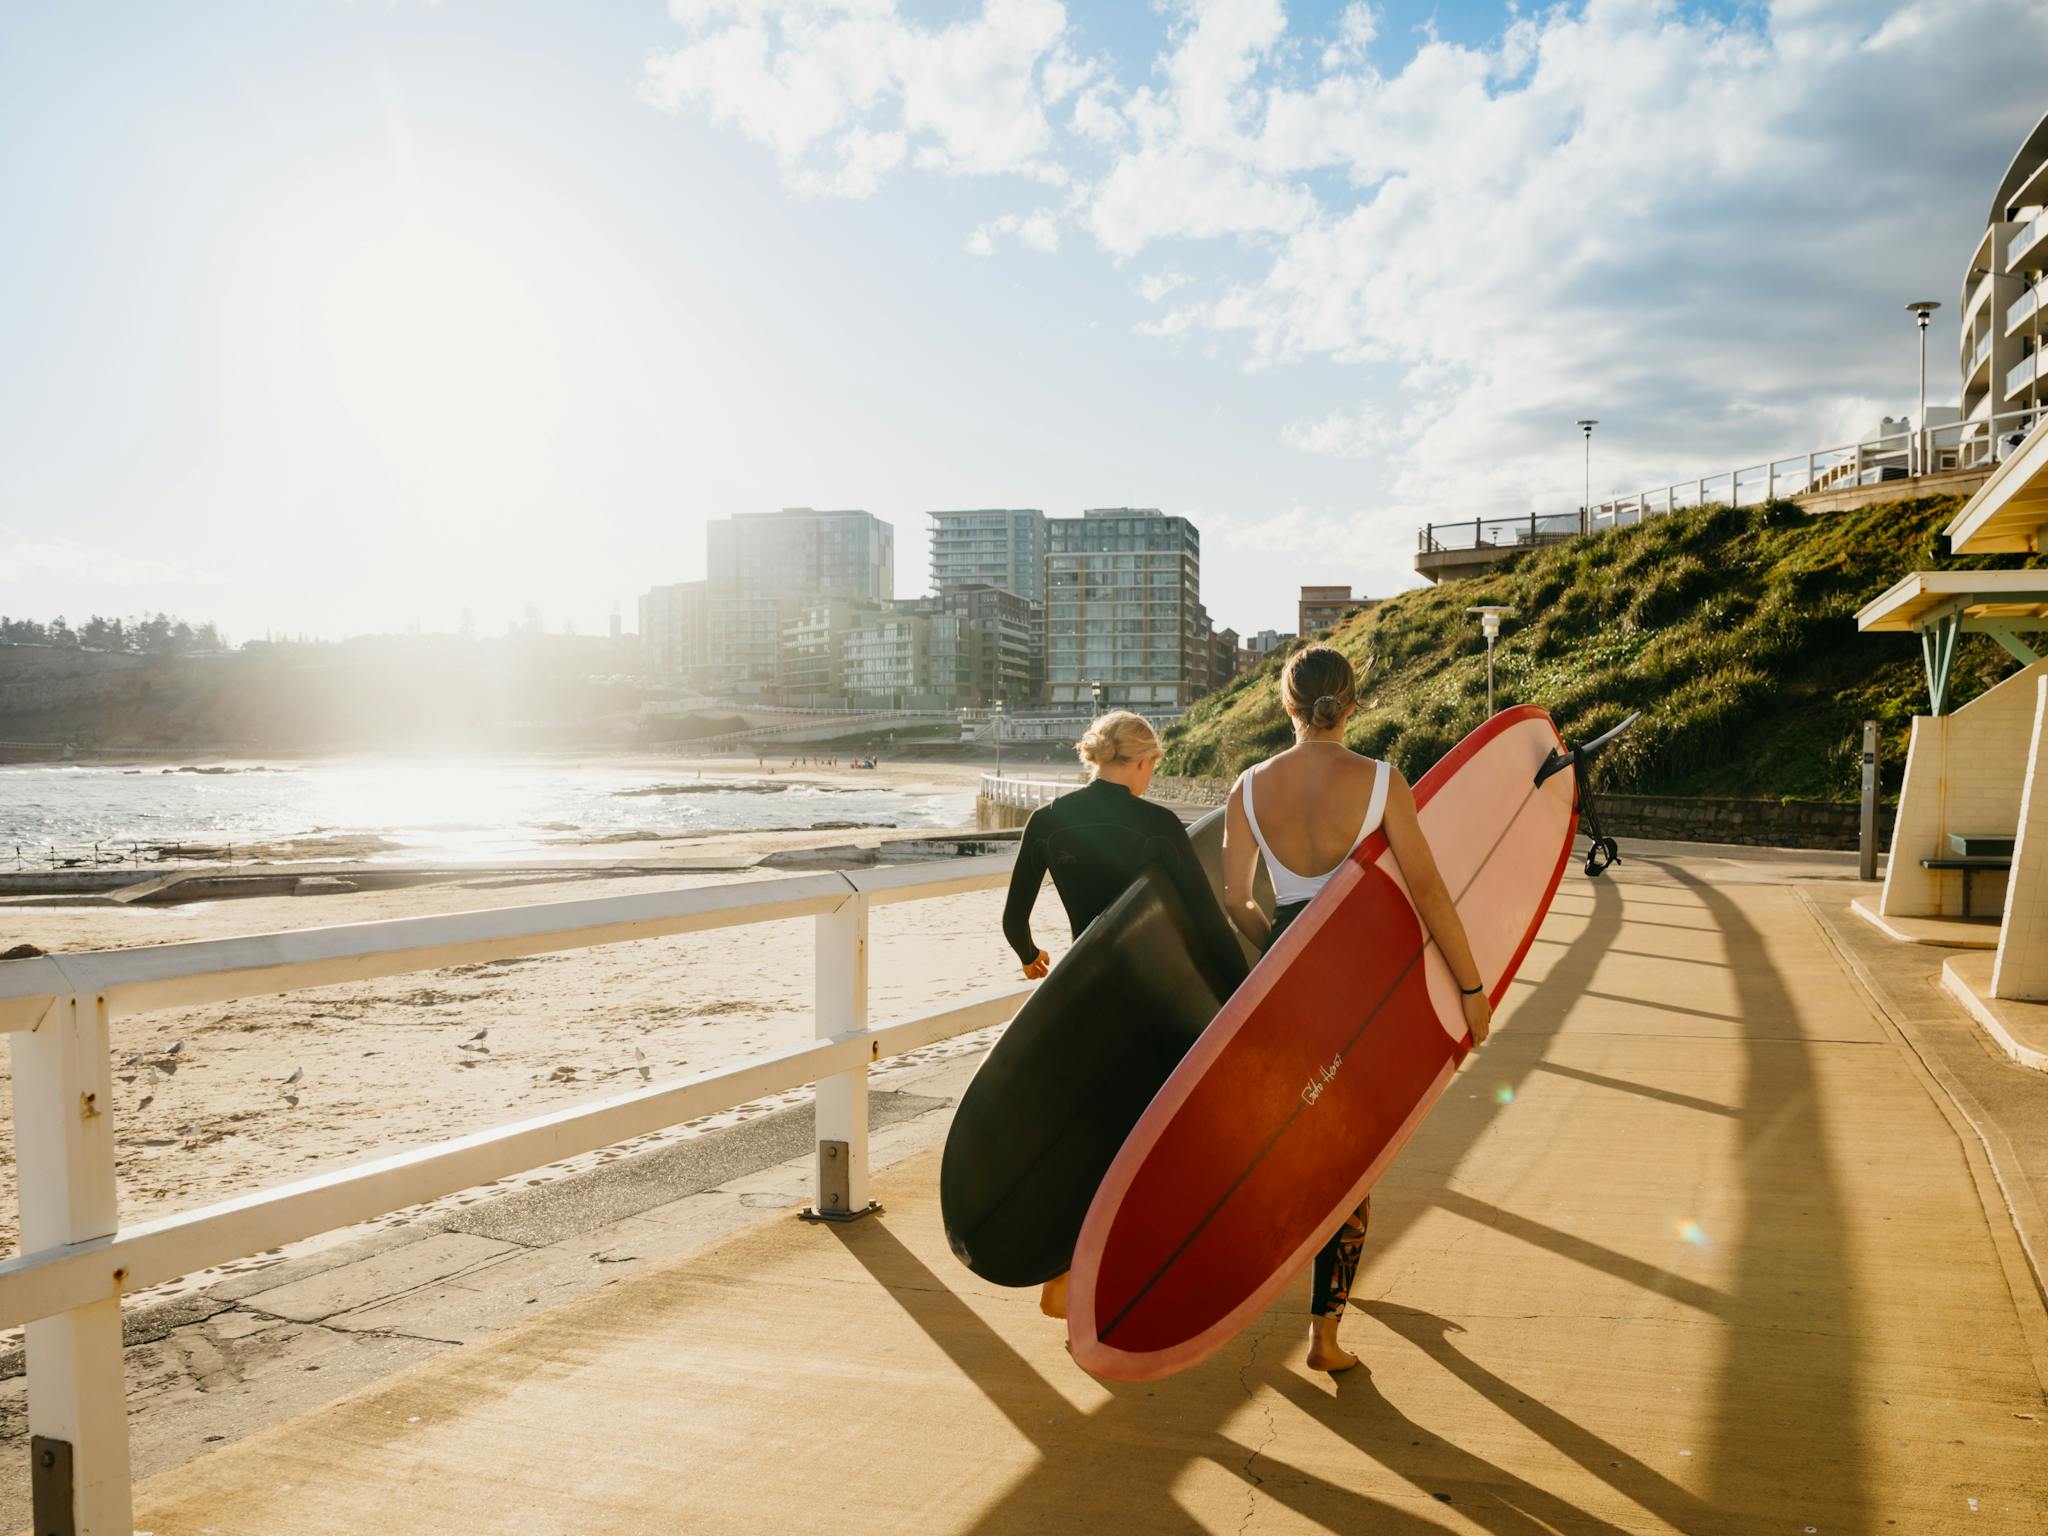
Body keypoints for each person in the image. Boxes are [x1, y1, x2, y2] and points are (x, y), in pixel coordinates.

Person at [1220, 644, 1493, 1374]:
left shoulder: (1248, 786)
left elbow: (1236, 899)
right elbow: (1430, 892)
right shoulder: (1380, 781)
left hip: (1289, 981)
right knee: (1352, 1156)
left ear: (1286, 704)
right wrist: (1471, 989)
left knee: (1293, 1138)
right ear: (1354, 702)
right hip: (1361, 982)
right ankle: (1325, 1337)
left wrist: (1279, 947)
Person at [1001, 709, 1250, 1320]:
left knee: (1084, 1139)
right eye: (1149, 768)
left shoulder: (1048, 820)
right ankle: (1130, 1272)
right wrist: (1245, 993)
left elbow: (1014, 922)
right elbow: (1209, 924)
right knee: (1148, 1143)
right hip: (1147, 1007)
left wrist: (1035, 960)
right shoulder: (1160, 825)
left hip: (1077, 1004)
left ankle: (1059, 1276)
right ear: (1141, 762)